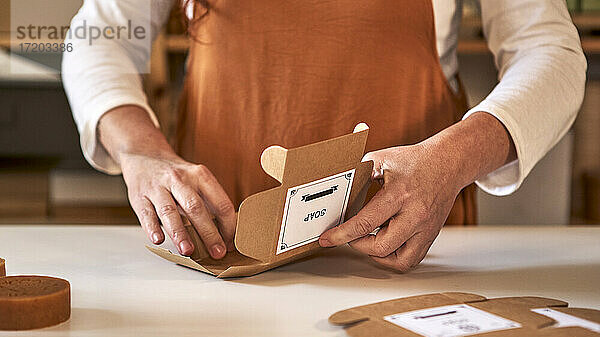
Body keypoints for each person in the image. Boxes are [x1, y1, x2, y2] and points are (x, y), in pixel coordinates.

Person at [62, 0, 586, 271]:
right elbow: (97, 36)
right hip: (226, 252)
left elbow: (549, 51)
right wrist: (140, 152)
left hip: (409, 253)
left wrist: (455, 158)